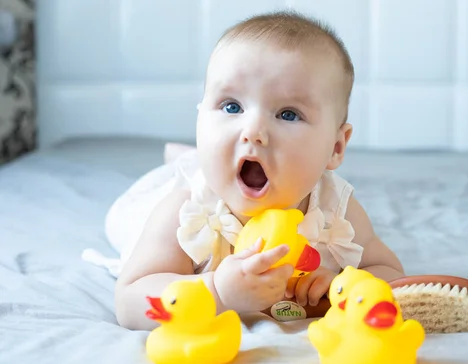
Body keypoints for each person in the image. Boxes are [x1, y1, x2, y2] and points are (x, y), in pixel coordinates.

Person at [108, 11, 405, 331]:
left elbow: (391, 273)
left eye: (288, 114)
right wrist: (217, 292)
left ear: (335, 147)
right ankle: (186, 161)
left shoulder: (336, 214)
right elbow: (129, 301)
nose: (253, 131)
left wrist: (343, 284)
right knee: (125, 218)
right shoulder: (185, 213)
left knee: (230, 155)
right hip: (150, 200)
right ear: (199, 120)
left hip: (236, 166)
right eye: (232, 107)